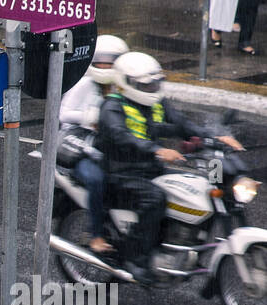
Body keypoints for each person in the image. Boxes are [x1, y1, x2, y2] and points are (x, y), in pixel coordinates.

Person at [96, 51, 245, 285]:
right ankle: (136, 259)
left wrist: (216, 137)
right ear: (127, 83)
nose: (152, 89)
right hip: (120, 173)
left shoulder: (156, 103)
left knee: (193, 187)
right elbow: (121, 136)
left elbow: (181, 123)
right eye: (146, 85)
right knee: (155, 199)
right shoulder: (112, 107)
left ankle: (179, 244)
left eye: (155, 83)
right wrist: (156, 150)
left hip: (149, 169)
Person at [60, 35, 129, 254]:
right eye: (102, 61)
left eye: (112, 62)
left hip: (106, 147)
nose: (106, 66)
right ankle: (95, 234)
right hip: (79, 147)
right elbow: (63, 114)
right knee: (96, 179)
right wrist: (89, 116)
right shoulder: (84, 83)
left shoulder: (121, 87)